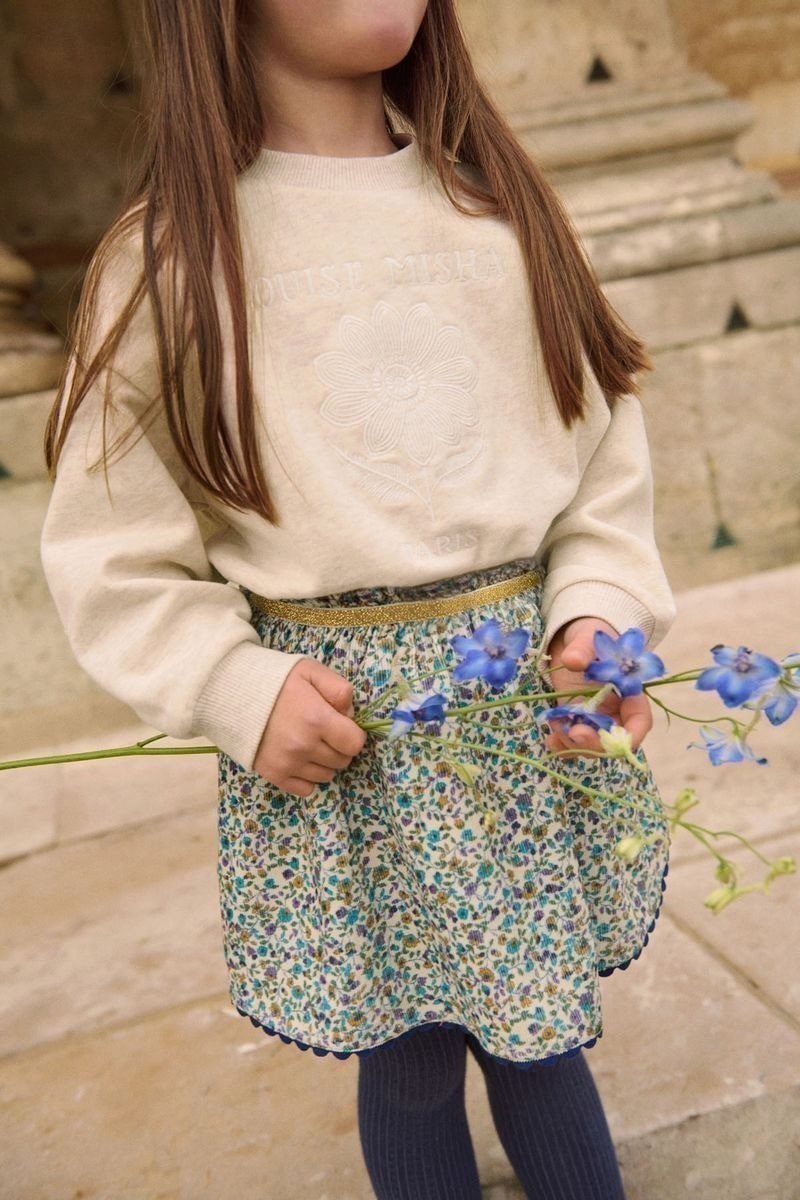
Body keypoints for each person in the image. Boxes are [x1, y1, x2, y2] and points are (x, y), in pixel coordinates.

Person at [39, 1, 677, 1197]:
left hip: (512, 719)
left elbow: (600, 460)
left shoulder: (499, 207)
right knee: (411, 1055)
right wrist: (233, 685)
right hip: (349, 744)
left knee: (539, 1035)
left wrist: (594, 611)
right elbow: (113, 548)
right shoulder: (167, 260)